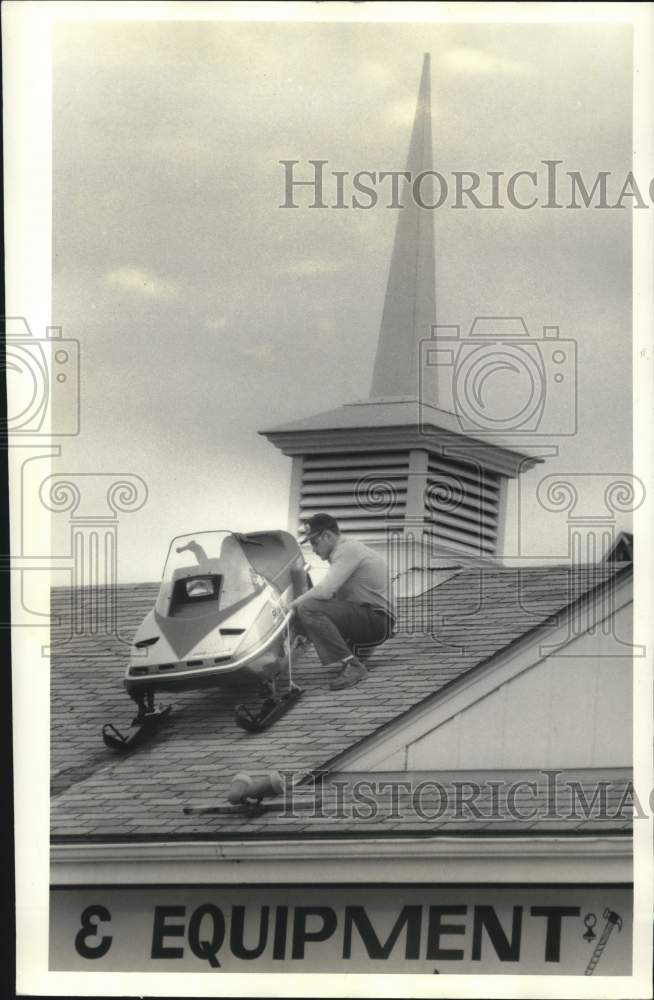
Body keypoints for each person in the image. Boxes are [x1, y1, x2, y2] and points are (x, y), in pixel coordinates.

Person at [288, 513, 396, 690]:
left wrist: (291, 606)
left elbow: (324, 592)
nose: (313, 549)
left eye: (315, 542)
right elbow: (334, 599)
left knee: (307, 607)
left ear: (328, 536)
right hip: (374, 620)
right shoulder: (347, 553)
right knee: (306, 611)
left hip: (376, 620)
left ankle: (352, 664)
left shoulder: (347, 550)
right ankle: (355, 655)